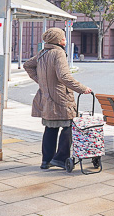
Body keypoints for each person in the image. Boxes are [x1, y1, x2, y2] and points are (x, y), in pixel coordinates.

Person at [23, 28, 93, 170]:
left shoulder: (43, 53)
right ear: (59, 40)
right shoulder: (58, 53)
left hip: (46, 97)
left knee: (50, 127)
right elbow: (64, 76)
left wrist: (41, 81)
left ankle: (46, 160)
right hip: (61, 97)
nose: (65, 40)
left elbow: (27, 65)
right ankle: (60, 158)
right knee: (69, 126)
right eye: (63, 38)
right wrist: (82, 88)